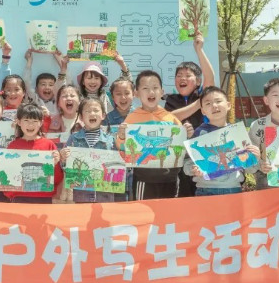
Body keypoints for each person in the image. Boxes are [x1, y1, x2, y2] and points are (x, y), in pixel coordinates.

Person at [115, 70, 193, 200]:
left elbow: (181, 148)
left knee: (168, 211)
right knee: (144, 211)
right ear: (136, 93)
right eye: (145, 88)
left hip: (171, 179)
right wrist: (122, 137)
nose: (151, 92)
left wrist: (187, 134)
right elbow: (123, 149)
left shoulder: (171, 118)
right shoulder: (132, 119)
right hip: (144, 179)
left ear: (162, 92)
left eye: (155, 88)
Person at [164, 34, 214, 198]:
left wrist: (199, 50)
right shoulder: (171, 100)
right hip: (179, 159)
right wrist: (199, 104)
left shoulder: (202, 94)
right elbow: (170, 117)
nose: (182, 78)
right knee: (183, 198)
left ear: (198, 82)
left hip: (203, 155)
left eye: (187, 75)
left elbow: (210, 78)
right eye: (178, 76)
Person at [184, 87, 259, 196]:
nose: (214, 106)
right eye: (208, 103)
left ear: (228, 105)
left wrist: (255, 157)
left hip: (233, 189)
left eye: (218, 101)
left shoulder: (237, 133)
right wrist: (193, 169)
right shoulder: (199, 134)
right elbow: (187, 164)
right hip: (205, 190)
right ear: (203, 111)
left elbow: (250, 169)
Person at [61, 98, 118, 203]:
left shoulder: (110, 140)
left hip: (105, 195)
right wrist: (64, 159)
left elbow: (118, 166)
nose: (92, 113)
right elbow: (64, 166)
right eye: (87, 111)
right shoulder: (73, 138)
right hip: (81, 195)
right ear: (81, 117)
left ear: (103, 115)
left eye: (96, 110)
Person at [4, 103, 62, 204]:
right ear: (19, 122)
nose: (30, 125)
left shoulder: (49, 145)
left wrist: (56, 164)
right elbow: (7, 175)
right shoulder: (13, 146)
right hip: (19, 197)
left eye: (35, 121)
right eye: (26, 120)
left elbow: (57, 178)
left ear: (41, 123)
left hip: (44, 197)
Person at [23, 48, 66, 118]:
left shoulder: (59, 100)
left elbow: (62, 81)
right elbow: (26, 83)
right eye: (43, 84)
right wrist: (29, 61)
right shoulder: (34, 99)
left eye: (51, 85)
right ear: (36, 89)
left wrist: (59, 60)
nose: (47, 87)